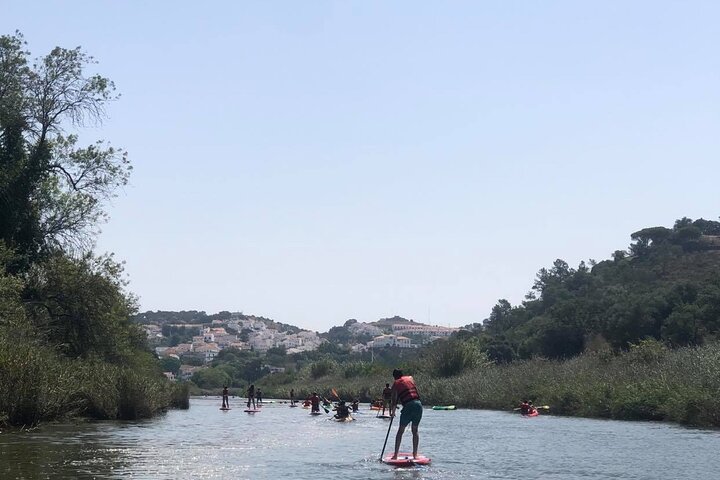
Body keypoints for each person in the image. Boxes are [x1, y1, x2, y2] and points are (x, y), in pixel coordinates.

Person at [389, 368, 422, 460]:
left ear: (394, 377)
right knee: (415, 430)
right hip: (418, 405)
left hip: (408, 406)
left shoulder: (396, 383)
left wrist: (392, 413)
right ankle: (415, 454)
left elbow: (394, 401)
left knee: (400, 431)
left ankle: (395, 455)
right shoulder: (410, 378)